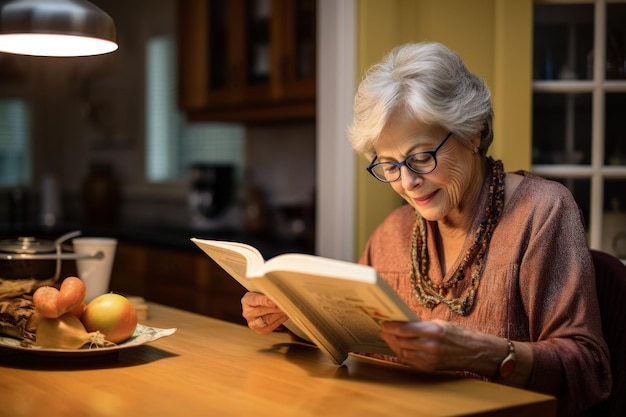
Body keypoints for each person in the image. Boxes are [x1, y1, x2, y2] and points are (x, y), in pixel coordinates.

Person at [241, 42, 611, 416]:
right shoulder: (393, 233)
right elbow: (358, 345)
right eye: (388, 165)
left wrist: (485, 354)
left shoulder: (541, 211)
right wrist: (294, 315)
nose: (407, 182)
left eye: (421, 158)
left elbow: (587, 369)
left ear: (474, 133)